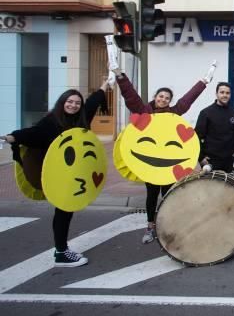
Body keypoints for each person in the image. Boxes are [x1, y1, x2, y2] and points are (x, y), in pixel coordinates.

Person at [5, 83, 110, 267]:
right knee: (63, 209)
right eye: (69, 101)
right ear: (62, 102)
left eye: (77, 103)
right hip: (61, 175)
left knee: (66, 210)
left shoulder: (82, 118)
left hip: (75, 174)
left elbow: (94, 100)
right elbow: (34, 133)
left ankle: (61, 250)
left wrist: (106, 83)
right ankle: (61, 252)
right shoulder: (52, 121)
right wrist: (14, 136)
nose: (73, 105)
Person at [115, 68, 209, 244]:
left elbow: (187, 100)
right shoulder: (144, 113)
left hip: (169, 166)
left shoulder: (173, 114)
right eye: (161, 96)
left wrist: (203, 82)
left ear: (169, 101)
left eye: (167, 98)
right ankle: (150, 226)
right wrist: (120, 76)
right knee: (151, 196)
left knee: (168, 195)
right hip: (150, 164)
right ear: (155, 96)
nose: (163, 99)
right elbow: (131, 96)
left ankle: (166, 225)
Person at [195, 82, 234, 172]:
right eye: (222, 92)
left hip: (228, 160)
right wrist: (201, 158)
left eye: (227, 93)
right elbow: (197, 137)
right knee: (209, 186)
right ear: (216, 94)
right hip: (210, 160)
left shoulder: (233, 112)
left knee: (226, 186)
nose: (225, 95)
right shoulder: (206, 113)